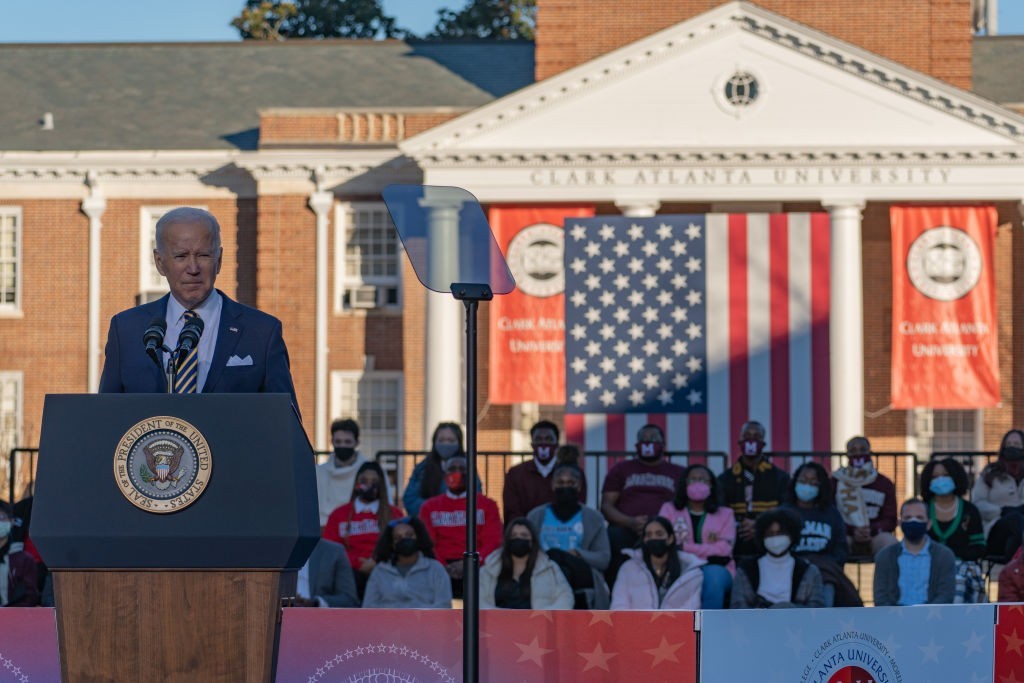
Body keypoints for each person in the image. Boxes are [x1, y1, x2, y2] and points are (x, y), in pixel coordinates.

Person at [98, 207, 298, 411]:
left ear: (219, 260)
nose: (193, 269)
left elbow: (287, 427)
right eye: (181, 256)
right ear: (159, 262)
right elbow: (106, 419)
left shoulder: (261, 332)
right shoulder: (126, 330)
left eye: (203, 255)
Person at [601, 423, 685, 586]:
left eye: (653, 439)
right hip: (627, 528)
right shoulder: (621, 469)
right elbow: (606, 506)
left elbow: (685, 506)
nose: (647, 442)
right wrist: (630, 522)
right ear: (636, 445)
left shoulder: (678, 472)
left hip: (666, 529)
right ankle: (616, 593)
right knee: (611, 536)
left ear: (663, 445)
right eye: (643, 439)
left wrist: (658, 526)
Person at [527, 462, 611, 609]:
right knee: (556, 562)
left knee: (558, 559)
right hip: (543, 571)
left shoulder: (594, 518)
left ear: (579, 486)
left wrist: (578, 553)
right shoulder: (535, 516)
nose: (565, 486)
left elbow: (604, 558)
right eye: (561, 482)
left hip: (581, 573)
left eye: (571, 483)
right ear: (553, 485)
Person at [419, 455, 503, 598]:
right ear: (445, 474)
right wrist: (443, 566)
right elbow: (427, 543)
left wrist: (471, 565)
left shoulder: (487, 505)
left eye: (463, 469)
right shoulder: (429, 507)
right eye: (452, 469)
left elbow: (493, 541)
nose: (457, 473)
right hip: (440, 569)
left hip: (479, 568)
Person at [657, 464, 735, 609]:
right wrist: (707, 549)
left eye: (703, 479)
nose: (698, 483)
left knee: (714, 579)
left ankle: (709, 629)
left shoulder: (726, 513)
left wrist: (684, 547)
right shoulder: (668, 509)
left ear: (712, 485)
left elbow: (723, 550)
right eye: (693, 479)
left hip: (716, 567)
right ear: (684, 483)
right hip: (678, 565)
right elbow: (663, 541)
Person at [783, 462, 860, 607]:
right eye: (803, 480)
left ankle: (823, 623)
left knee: (827, 584)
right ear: (794, 482)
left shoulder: (831, 514)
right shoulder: (783, 512)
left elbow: (840, 549)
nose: (807, 485)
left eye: (813, 482)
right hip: (790, 572)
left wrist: (820, 565)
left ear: (821, 486)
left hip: (824, 573)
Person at [322, 461, 403, 597]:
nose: (369, 484)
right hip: (348, 572)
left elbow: (399, 546)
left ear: (381, 485)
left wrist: (376, 563)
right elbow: (331, 549)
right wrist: (358, 564)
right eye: (364, 480)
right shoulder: (339, 514)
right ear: (356, 484)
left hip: (386, 571)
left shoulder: (394, 514)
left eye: (374, 481)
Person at [718, 420, 791, 562]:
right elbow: (720, 509)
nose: (751, 441)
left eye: (757, 437)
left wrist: (760, 525)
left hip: (769, 536)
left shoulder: (780, 477)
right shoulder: (725, 479)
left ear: (763, 443)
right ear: (739, 441)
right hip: (736, 538)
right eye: (747, 436)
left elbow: (786, 508)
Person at [730, 508, 824, 609]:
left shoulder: (809, 571)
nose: (775, 538)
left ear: (791, 535)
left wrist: (788, 609)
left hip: (796, 623)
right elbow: (738, 607)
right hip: (758, 623)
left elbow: (817, 609)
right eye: (770, 534)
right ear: (762, 537)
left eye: (780, 533)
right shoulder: (746, 570)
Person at [921, 457, 986, 603]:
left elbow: (979, 547)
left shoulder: (970, 511)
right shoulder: (922, 509)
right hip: (927, 567)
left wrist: (951, 556)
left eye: (945, 475)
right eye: (935, 477)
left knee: (958, 580)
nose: (940, 480)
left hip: (961, 568)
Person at [873, 498, 956, 606]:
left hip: (931, 619)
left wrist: (925, 615)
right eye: (908, 518)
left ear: (929, 524)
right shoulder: (884, 556)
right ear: (900, 523)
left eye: (919, 517)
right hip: (895, 619)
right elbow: (881, 598)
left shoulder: (944, 555)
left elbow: (946, 596)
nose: (913, 521)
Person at [609, 516, 704, 610]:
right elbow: (618, 606)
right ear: (644, 540)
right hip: (636, 624)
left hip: (674, 624)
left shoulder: (691, 573)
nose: (653, 538)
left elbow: (691, 610)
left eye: (659, 534)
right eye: (649, 535)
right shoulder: (628, 568)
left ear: (670, 538)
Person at [316, 418, 394, 529]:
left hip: (358, 528)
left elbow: (386, 504)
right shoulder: (318, 472)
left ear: (356, 443)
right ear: (332, 442)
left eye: (347, 442)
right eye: (338, 442)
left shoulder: (373, 473)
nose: (342, 446)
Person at [503, 421, 587, 523]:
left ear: (557, 444)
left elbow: (579, 505)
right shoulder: (516, 474)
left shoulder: (573, 473)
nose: (543, 444)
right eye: (538, 439)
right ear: (532, 444)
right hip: (527, 533)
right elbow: (512, 511)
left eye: (548, 439)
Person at [481, 518, 574, 609]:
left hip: (538, 623)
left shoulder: (550, 568)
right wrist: (496, 616)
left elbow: (566, 597)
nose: (518, 538)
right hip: (496, 623)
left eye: (524, 535)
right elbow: (477, 599)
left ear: (532, 541)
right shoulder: (489, 568)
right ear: (507, 540)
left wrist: (545, 617)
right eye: (513, 535)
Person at [362, 517, 452, 609]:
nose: (404, 540)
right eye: (398, 538)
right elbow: (368, 606)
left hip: (424, 622)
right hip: (389, 622)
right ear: (392, 544)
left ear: (418, 537)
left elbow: (444, 605)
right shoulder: (380, 571)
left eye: (409, 535)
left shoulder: (435, 569)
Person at [831, 436, 898, 557]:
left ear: (869, 452)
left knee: (891, 543)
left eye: (862, 450)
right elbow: (831, 514)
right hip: (847, 535)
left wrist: (872, 530)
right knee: (834, 543)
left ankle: (885, 576)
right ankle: (834, 576)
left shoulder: (884, 483)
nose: (858, 454)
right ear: (847, 455)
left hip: (875, 536)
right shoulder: (836, 481)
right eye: (853, 451)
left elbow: (890, 518)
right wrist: (851, 530)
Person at [403, 422, 478, 517]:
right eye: (441, 440)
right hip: (428, 523)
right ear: (434, 442)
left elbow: (476, 497)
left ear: (459, 443)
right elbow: (410, 499)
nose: (446, 444)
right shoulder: (423, 468)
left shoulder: (467, 467)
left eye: (451, 440)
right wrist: (436, 509)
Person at [972, 429, 1024, 533]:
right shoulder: (990, 472)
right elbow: (977, 503)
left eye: (1016, 444)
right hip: (996, 526)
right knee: (1014, 519)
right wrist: (1001, 511)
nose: (1012, 446)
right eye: (1008, 444)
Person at [291, 538, 359, 608]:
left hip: (317, 615)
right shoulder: (280, 549)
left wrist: (317, 602)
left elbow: (350, 599)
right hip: (281, 614)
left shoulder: (335, 551)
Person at [0, 501, 39, 607]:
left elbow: (30, 597)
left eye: (1, 518)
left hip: (14, 619)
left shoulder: (24, 560)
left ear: (12, 522)